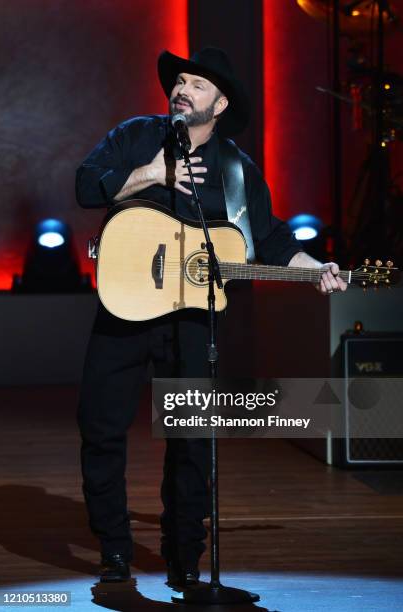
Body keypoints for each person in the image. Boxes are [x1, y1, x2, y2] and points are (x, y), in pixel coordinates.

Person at [75, 47, 347, 585]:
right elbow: (86, 186)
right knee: (101, 429)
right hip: (123, 307)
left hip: (193, 319)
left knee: (193, 439)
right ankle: (113, 549)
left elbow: (269, 238)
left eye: (197, 85)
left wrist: (316, 269)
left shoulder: (237, 170)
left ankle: (184, 557)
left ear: (219, 103)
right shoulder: (135, 135)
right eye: (180, 80)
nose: (182, 89)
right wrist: (151, 171)